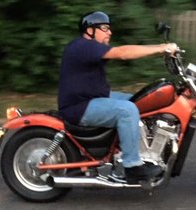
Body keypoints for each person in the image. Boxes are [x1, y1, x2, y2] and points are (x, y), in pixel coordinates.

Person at [58, 11, 177, 183]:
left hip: (92, 98)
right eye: (105, 28)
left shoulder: (89, 47)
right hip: (80, 106)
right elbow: (122, 53)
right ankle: (132, 166)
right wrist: (161, 48)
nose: (110, 32)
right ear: (90, 30)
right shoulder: (83, 46)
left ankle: (133, 149)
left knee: (140, 101)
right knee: (127, 110)